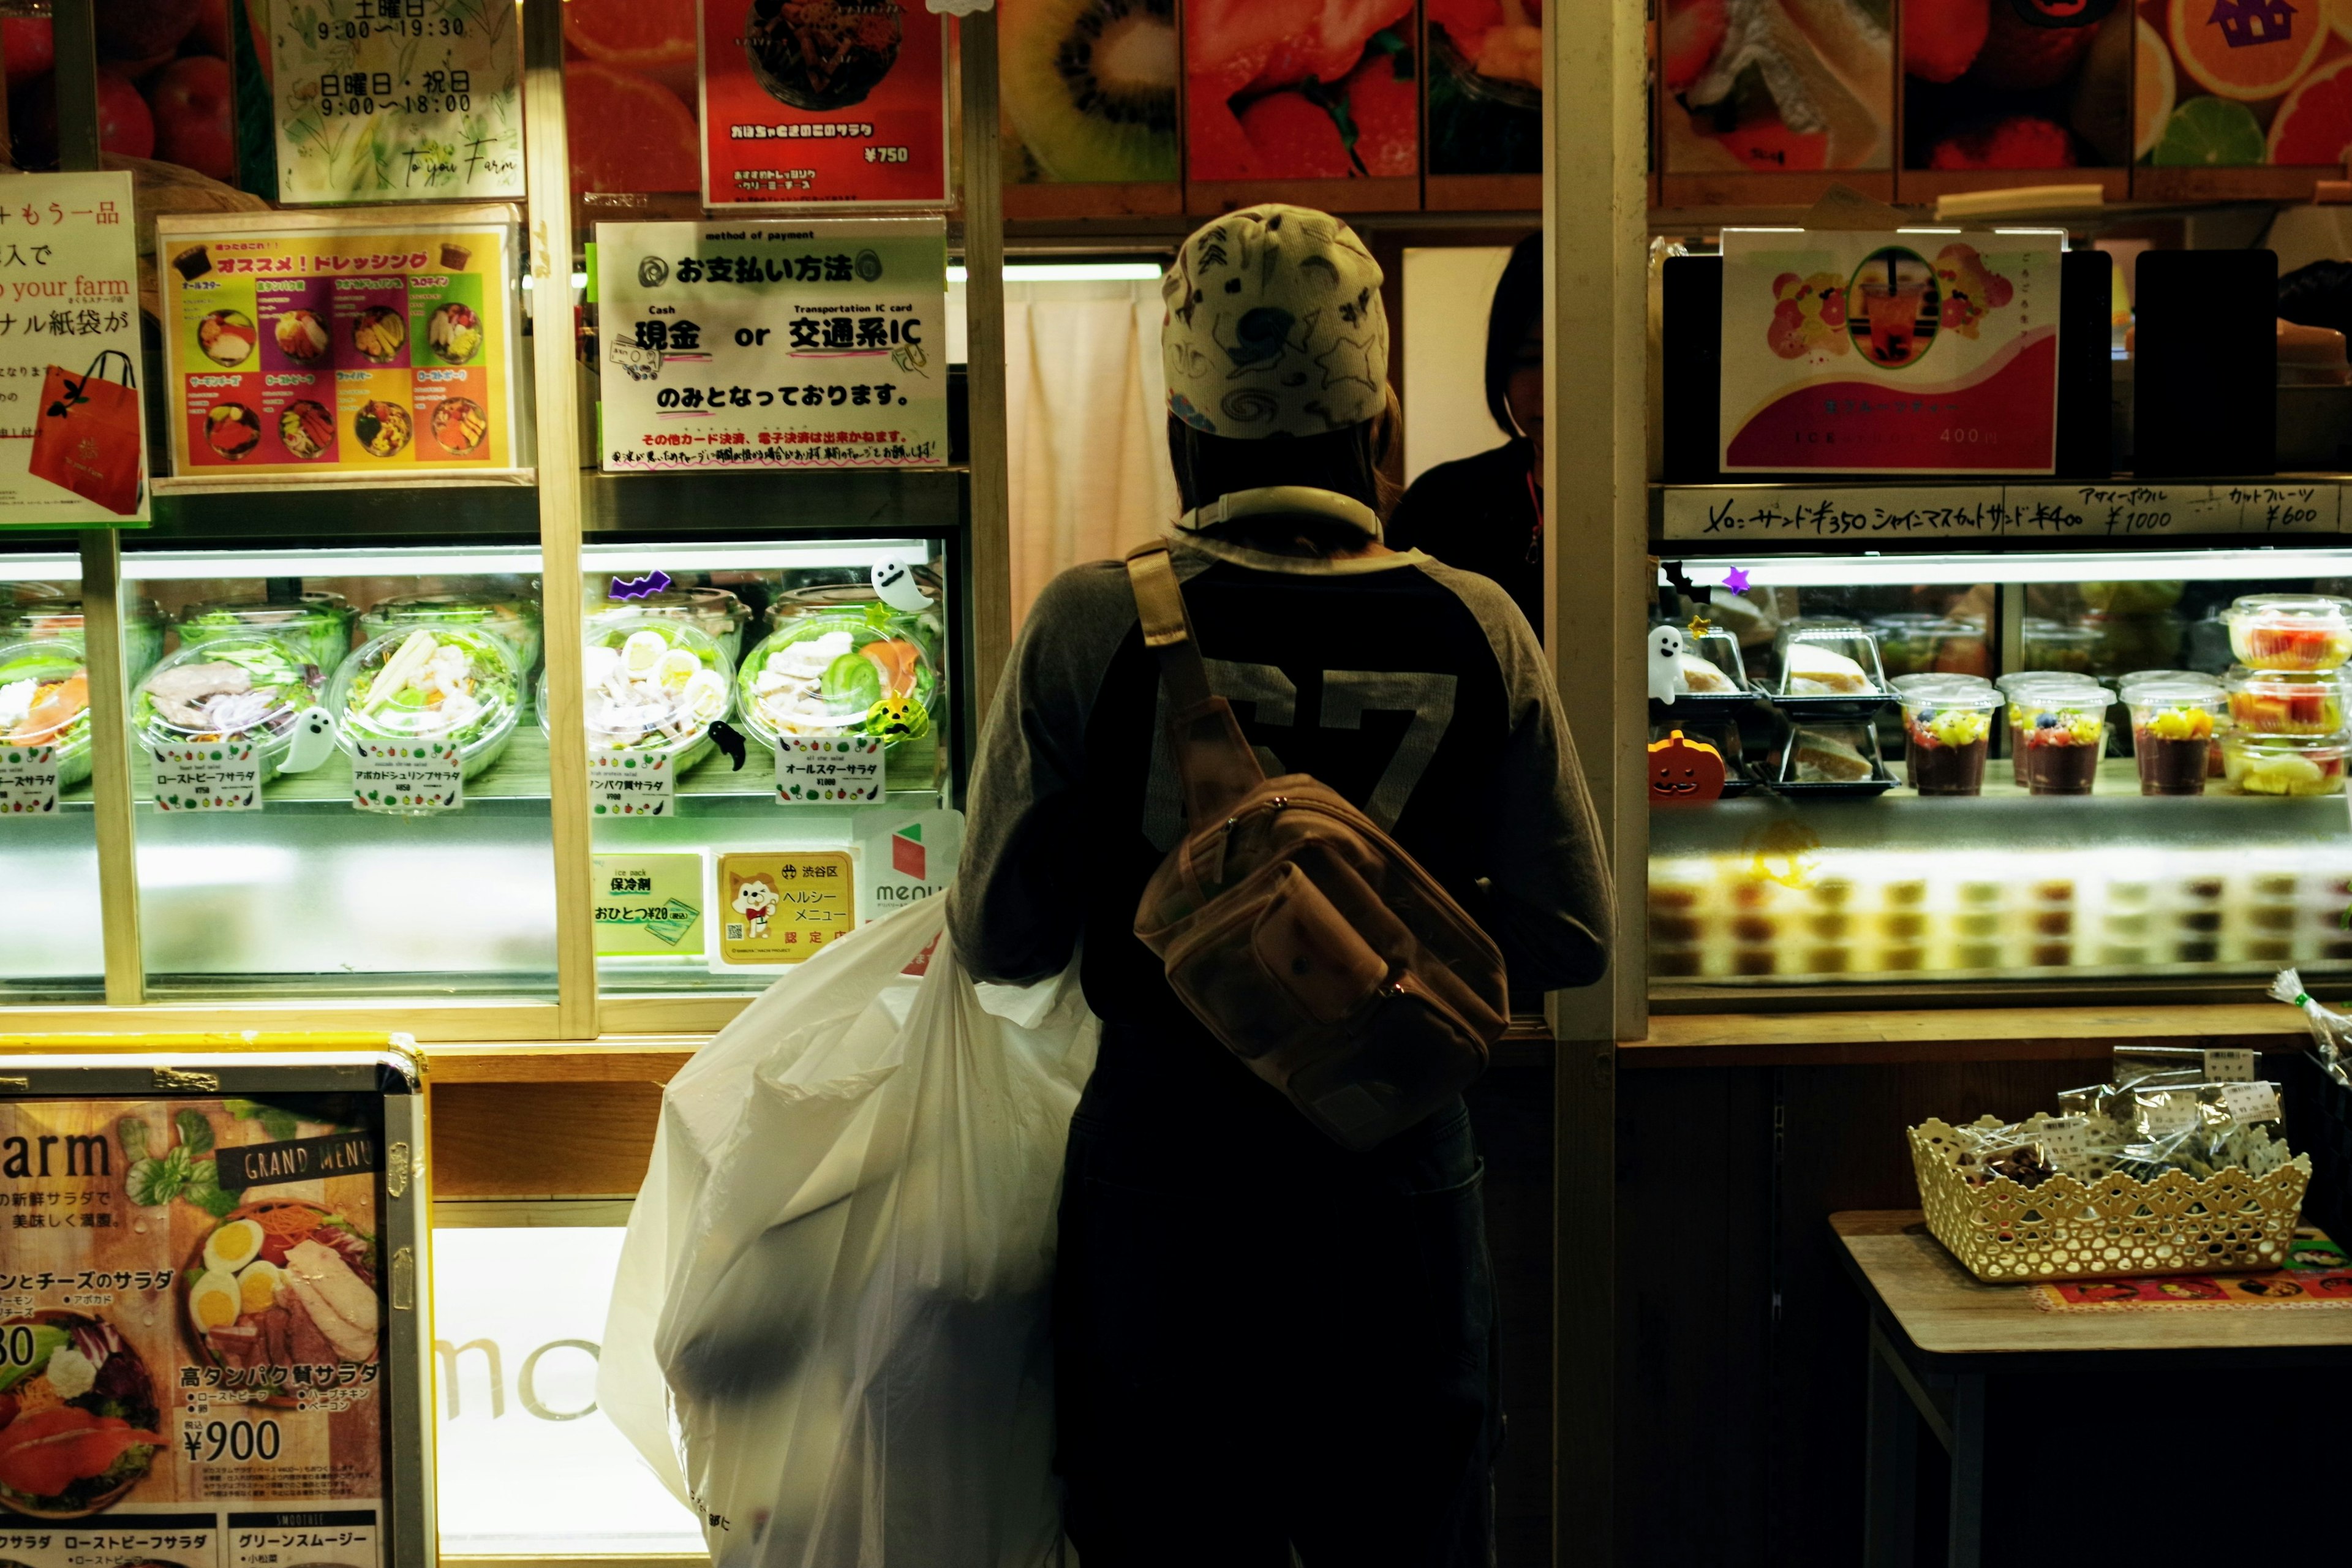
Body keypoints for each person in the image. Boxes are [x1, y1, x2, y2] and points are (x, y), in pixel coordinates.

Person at [948, 204, 1611, 1567]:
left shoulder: (1092, 618)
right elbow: (1570, 930)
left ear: (1182, 428)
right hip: (1400, 1184)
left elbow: (1000, 941)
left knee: (1168, 1537)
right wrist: (1379, 944)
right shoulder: (1475, 618)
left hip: (1166, 1188)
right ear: (1377, 425)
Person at [1387, 233, 1545, 630]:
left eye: (1577, 359)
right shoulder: (1441, 503)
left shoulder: (1646, 499)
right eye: (1528, 359)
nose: (1550, 387)